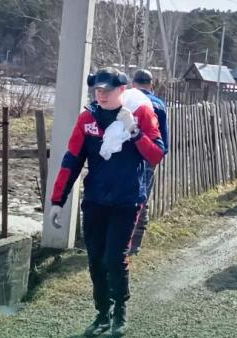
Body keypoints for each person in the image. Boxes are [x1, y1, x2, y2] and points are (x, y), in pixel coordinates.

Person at [49, 67, 165, 337]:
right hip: (96, 199)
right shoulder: (87, 119)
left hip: (126, 199)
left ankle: (120, 311)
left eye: (107, 90)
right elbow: (72, 159)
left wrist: (134, 131)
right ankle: (103, 313)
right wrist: (58, 200)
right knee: (96, 260)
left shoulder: (141, 114)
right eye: (97, 90)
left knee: (115, 258)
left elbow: (156, 154)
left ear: (122, 90)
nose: (101, 95)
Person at [129, 69, 169, 255]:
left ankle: (119, 237)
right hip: (148, 156)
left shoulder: (125, 101)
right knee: (142, 197)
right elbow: (164, 139)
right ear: (151, 85)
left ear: (133, 84)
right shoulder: (159, 105)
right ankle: (135, 242)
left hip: (126, 156)